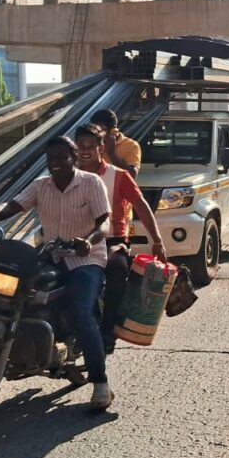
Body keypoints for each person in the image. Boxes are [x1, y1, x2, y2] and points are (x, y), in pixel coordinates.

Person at [0, 136, 116, 409]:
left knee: (82, 312)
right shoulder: (40, 186)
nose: (55, 163)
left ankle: (101, 384)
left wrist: (88, 241)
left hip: (86, 259)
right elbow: (12, 206)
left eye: (62, 157)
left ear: (74, 157)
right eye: (51, 158)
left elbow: (105, 223)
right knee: (15, 293)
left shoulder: (90, 183)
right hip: (51, 256)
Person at [73, 124, 167, 354]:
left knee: (116, 271)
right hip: (72, 241)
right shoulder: (67, 173)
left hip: (111, 240)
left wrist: (157, 240)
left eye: (91, 147)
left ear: (101, 148)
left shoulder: (119, 176)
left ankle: (107, 332)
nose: (85, 152)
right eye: (80, 146)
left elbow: (141, 206)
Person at [90, 109, 142, 177]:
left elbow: (132, 174)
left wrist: (112, 154)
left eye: (101, 129)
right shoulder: (92, 143)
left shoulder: (131, 146)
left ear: (113, 131)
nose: (97, 133)